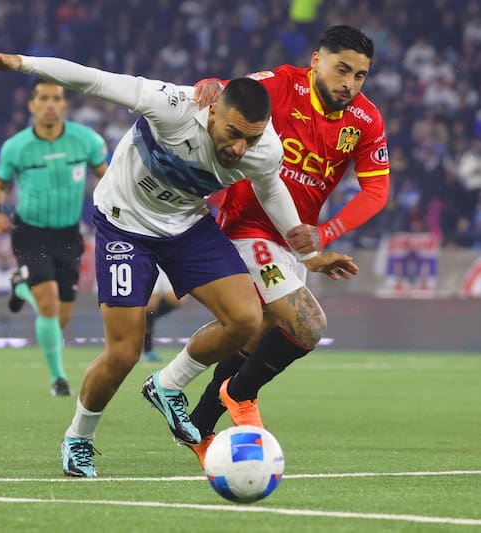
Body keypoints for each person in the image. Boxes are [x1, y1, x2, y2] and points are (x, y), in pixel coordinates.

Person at [0, 51, 356, 478]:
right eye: (232, 133)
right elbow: (93, 78)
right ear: (211, 111)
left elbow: (271, 188)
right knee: (124, 352)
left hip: (187, 226)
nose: (239, 148)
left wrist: (308, 254)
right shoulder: (171, 106)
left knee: (245, 319)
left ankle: (168, 385)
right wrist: (21, 63)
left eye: (252, 137)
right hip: (123, 226)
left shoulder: (262, 149)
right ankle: (78, 437)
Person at [181, 25, 390, 467]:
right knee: (308, 324)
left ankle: (199, 425)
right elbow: (232, 93)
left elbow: (376, 191)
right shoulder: (281, 84)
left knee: (258, 335)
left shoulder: (366, 121)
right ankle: (237, 393)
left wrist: (326, 234)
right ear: (317, 60)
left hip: (294, 241)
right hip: (248, 227)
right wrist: (212, 86)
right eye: (342, 70)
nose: (349, 84)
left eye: (360, 76)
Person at [0, 79, 109, 397]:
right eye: (43, 98)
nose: (50, 104)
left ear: (65, 106)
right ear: (32, 106)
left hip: (69, 234)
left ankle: (20, 287)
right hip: (30, 233)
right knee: (50, 305)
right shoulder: (16, 147)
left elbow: (105, 177)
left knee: (60, 317)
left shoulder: (87, 141)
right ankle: (59, 380)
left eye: (56, 98)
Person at [141, 268, 186, 363]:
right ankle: (147, 350)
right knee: (151, 303)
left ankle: (144, 321)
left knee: (176, 299)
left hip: (165, 261)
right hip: (150, 261)